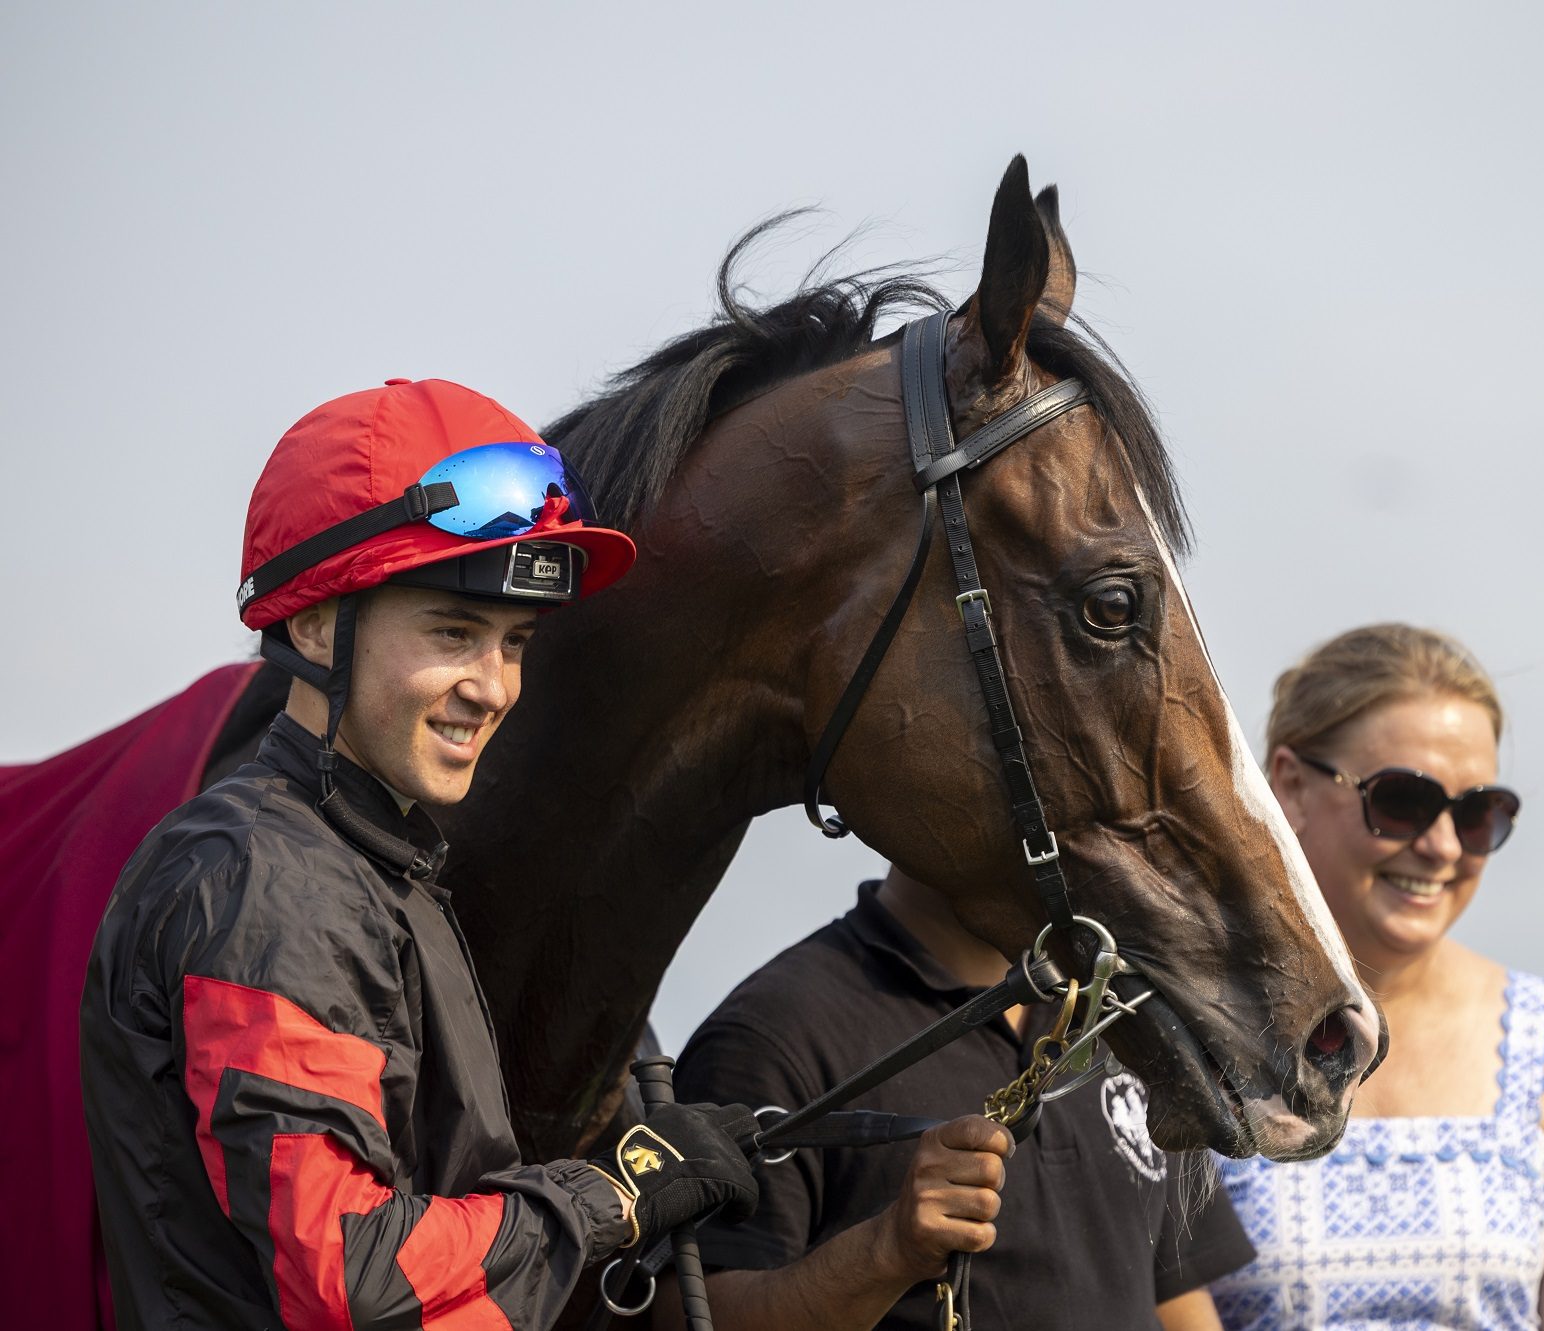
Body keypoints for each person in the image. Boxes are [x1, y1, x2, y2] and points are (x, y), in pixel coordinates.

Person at [80, 378, 761, 1331]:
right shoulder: (271, 883)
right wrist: (610, 1199)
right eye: (453, 632)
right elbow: (352, 1278)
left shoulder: (373, 860)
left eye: (513, 641)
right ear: (316, 621)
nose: (492, 688)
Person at [1209, 624, 1544, 1331]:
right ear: (1289, 784)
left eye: (1478, 813)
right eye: (1403, 801)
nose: (1443, 845)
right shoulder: (1181, 1033)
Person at [660, 867, 1255, 1331]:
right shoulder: (770, 1035)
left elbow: (1177, 1290)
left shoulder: (1121, 1011)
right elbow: (688, 1316)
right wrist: (885, 1250)